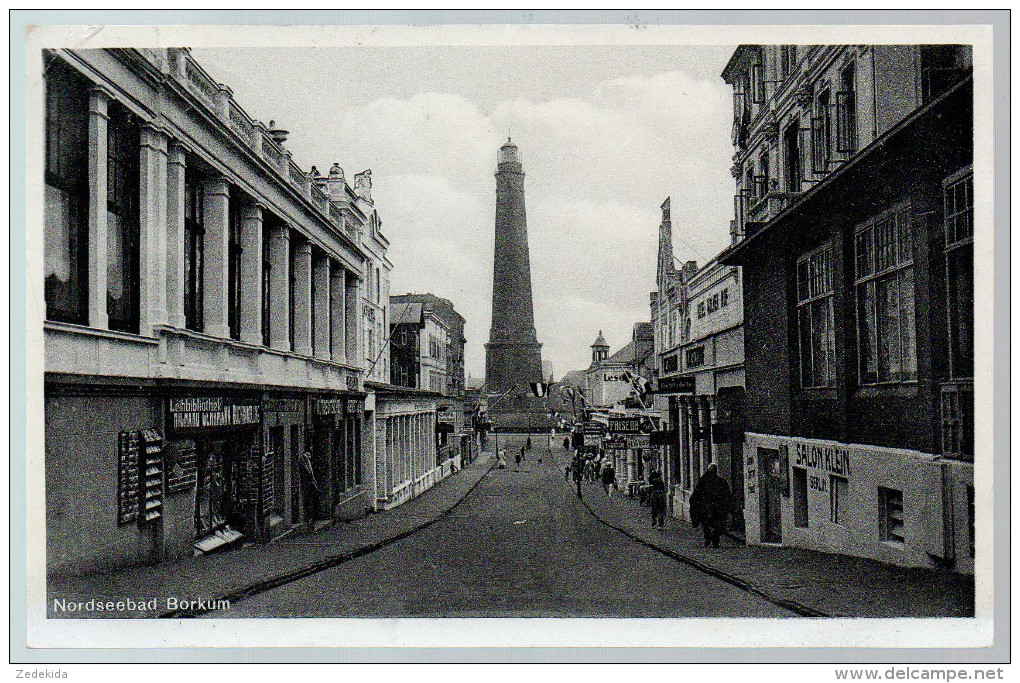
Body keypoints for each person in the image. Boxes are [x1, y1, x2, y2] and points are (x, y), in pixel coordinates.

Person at [689, 463, 733, 547]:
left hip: (705, 507)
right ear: (716, 470)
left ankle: (708, 536)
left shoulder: (703, 480)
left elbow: (696, 494)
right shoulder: (721, 481)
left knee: (705, 523)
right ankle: (714, 537)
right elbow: (727, 495)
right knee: (717, 523)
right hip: (717, 508)